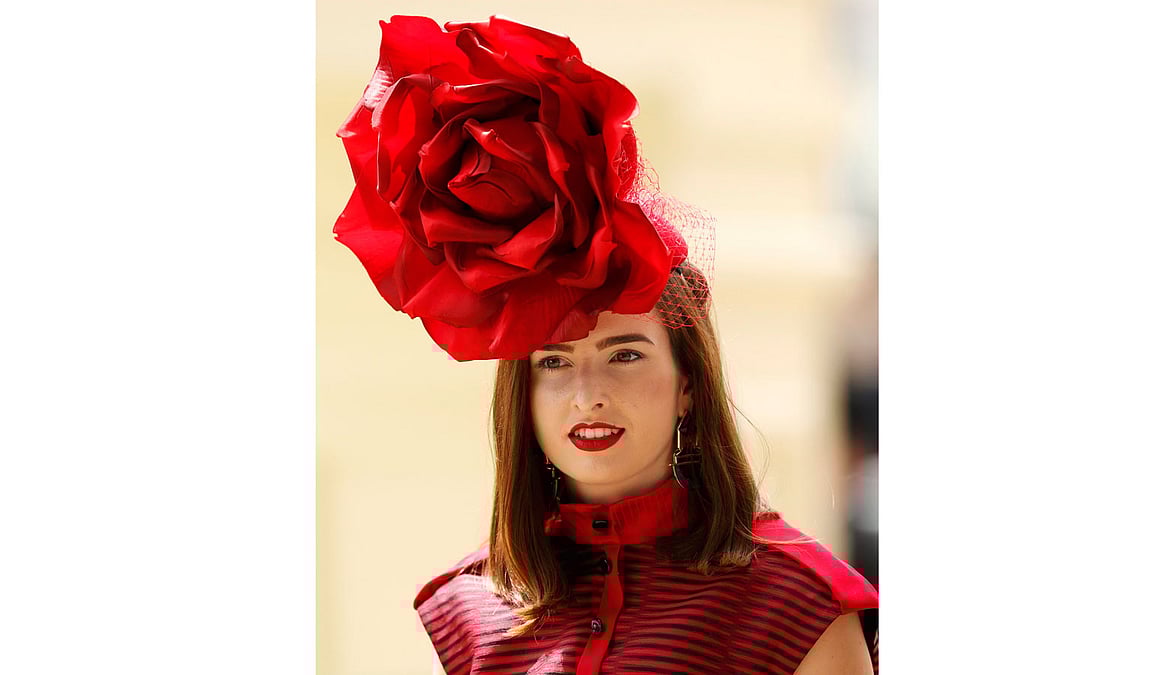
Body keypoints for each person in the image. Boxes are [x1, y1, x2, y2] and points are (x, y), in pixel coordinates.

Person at [334, 15, 879, 674]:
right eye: (554, 362)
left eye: (625, 355)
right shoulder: (466, 611)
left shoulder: (799, 603)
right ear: (521, 393)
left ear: (689, 382)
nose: (587, 394)